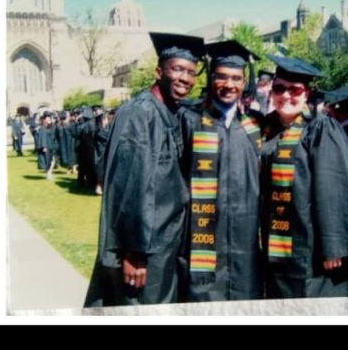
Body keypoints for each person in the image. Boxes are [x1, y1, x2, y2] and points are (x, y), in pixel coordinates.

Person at [84, 32, 203, 307]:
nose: (184, 78)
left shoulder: (169, 110)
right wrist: (133, 253)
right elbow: (128, 188)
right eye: (177, 69)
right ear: (158, 71)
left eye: (190, 72)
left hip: (164, 241)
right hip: (144, 248)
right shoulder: (140, 113)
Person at [260, 56, 348, 298]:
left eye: (294, 90)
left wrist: (334, 246)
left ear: (307, 94)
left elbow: (334, 186)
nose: (286, 95)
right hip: (275, 241)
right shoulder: (267, 128)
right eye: (279, 88)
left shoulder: (320, 128)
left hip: (311, 245)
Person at [180, 39, 264, 302]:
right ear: (211, 77)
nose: (229, 85)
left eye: (237, 78)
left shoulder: (254, 127)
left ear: (244, 82)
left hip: (244, 242)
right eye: (222, 77)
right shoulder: (189, 120)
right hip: (200, 239)